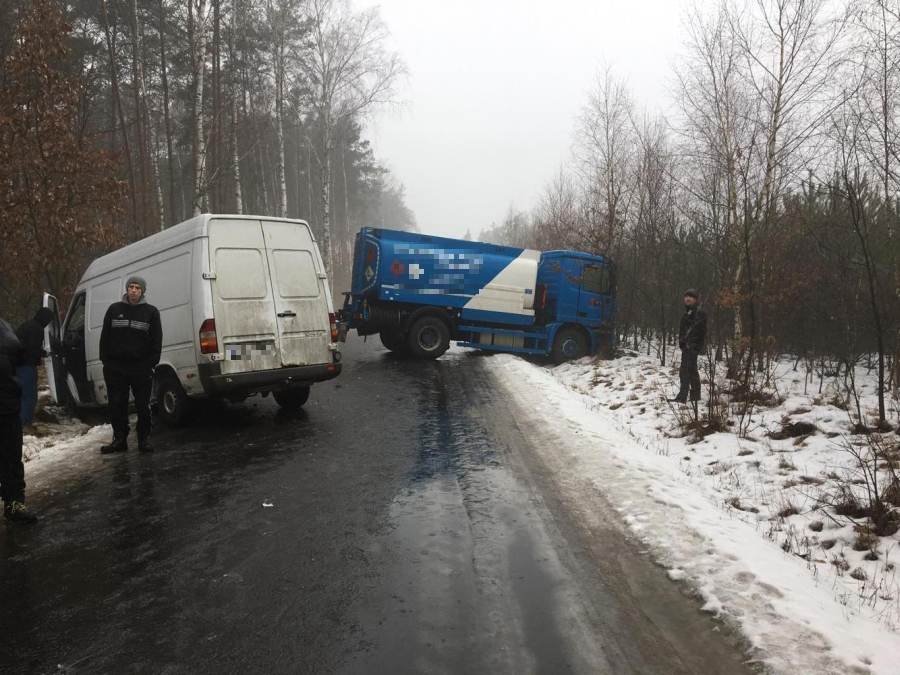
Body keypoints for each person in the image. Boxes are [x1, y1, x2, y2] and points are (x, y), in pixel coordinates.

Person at [99, 276, 162, 454]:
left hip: (141, 368)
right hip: (116, 368)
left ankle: (144, 440)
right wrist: (106, 361)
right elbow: (105, 337)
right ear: (127, 289)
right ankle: (119, 439)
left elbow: (156, 341)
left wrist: (151, 363)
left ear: (142, 291)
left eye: (137, 288)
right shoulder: (114, 310)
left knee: (143, 406)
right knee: (117, 404)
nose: (133, 290)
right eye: (131, 287)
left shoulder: (151, 312)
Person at [0, 315, 37, 523]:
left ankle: (15, 504)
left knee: (12, 460)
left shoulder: (4, 326)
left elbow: (21, 357)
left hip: (7, 406)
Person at [16, 307, 55, 432]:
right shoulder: (37, 329)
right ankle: (24, 424)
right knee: (29, 395)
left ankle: (20, 422)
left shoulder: (28, 325)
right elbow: (32, 348)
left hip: (17, 364)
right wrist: (43, 353)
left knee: (22, 395)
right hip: (26, 365)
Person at [670, 288, 707, 404]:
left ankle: (683, 396)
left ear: (695, 300)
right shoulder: (686, 315)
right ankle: (695, 395)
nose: (687, 298)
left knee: (685, 371)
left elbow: (702, 332)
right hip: (686, 347)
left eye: (690, 297)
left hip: (693, 347)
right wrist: (682, 343)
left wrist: (696, 346)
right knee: (691, 370)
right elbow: (682, 331)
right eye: (686, 296)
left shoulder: (700, 314)